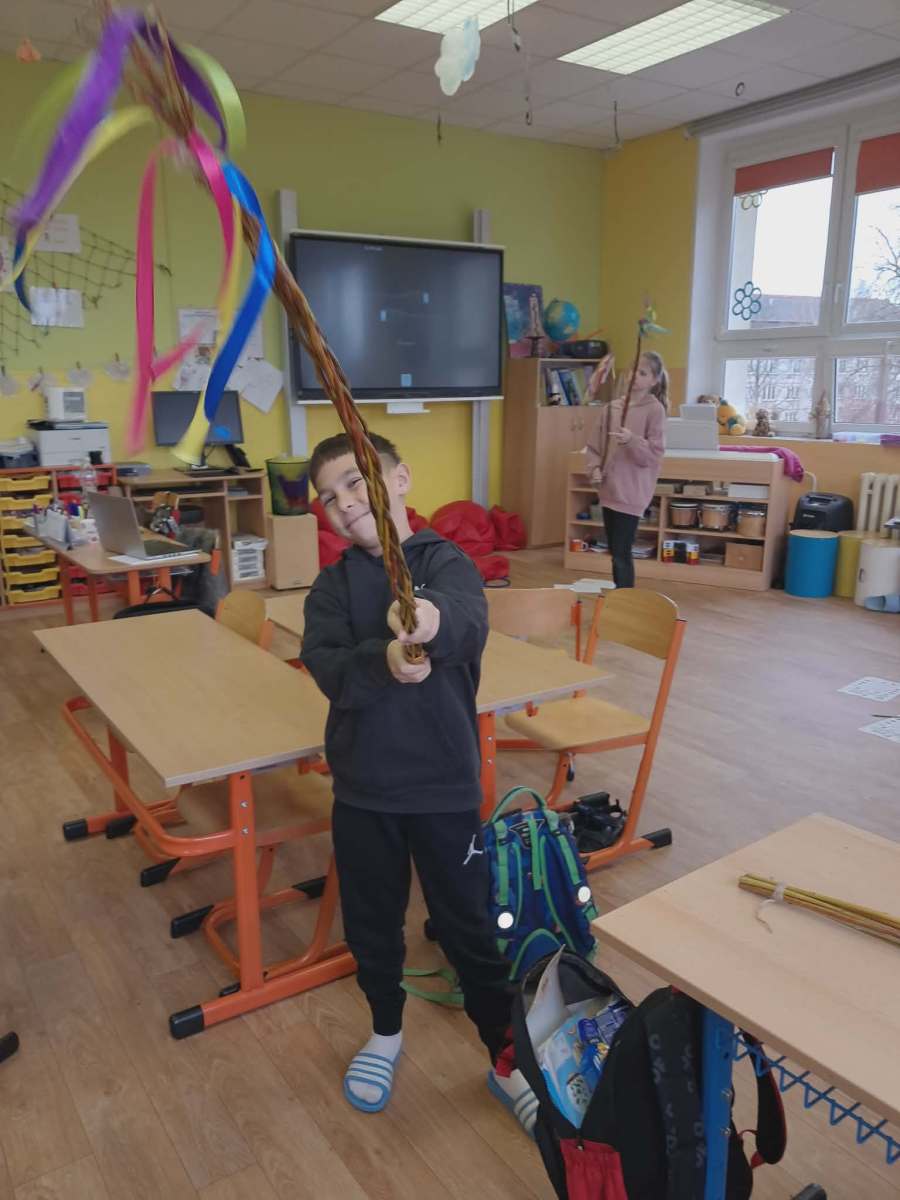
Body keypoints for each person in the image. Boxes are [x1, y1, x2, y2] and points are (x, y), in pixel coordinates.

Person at [301, 432, 537, 1135]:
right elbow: (328, 666)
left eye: (355, 482)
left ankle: (507, 1060)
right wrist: (383, 660)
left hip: (442, 790)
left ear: (399, 479)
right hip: (364, 792)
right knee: (372, 924)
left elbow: (463, 620)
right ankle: (384, 1031)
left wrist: (428, 621)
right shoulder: (331, 587)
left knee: (469, 928)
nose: (345, 503)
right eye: (329, 497)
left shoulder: (445, 563)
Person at [585, 350, 668, 589]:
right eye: (633, 370)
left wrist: (632, 440)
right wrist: (594, 469)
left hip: (632, 492)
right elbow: (594, 446)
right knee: (615, 551)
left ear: (654, 380)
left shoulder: (655, 410)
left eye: (642, 373)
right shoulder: (611, 408)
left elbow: (654, 455)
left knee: (621, 553)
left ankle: (625, 600)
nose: (635, 376)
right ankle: (620, 596)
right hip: (609, 489)